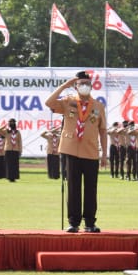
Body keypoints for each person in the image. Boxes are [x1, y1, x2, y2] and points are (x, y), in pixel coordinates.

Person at [45, 70, 108, 233]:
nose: (84, 86)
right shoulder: (68, 101)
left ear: (91, 86)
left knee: (91, 188)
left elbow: (102, 131)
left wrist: (104, 154)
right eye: (81, 84)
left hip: (91, 151)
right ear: (76, 86)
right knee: (73, 187)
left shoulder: (98, 106)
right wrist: (64, 86)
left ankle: (90, 223)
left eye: (87, 84)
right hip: (71, 150)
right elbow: (48, 102)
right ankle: (73, 222)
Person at [0, 118, 22, 182]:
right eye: (10, 122)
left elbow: (19, 142)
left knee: (15, 165)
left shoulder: (17, 132)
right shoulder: (6, 131)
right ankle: (8, 177)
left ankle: (14, 177)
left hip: (15, 150)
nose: (12, 123)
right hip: (8, 149)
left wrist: (20, 150)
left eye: (13, 122)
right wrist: (4, 126)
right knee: (8, 164)